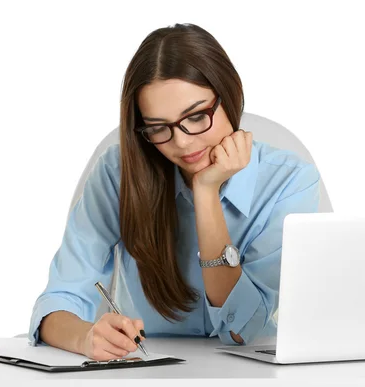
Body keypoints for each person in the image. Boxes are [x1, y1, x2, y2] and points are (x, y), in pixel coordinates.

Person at [28, 23, 321, 361]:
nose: (181, 143)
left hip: (252, 374)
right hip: (148, 368)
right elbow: (57, 302)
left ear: (230, 96)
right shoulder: (118, 174)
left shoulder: (290, 181)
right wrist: (85, 338)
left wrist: (206, 192)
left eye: (196, 117)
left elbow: (240, 329)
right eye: (157, 128)